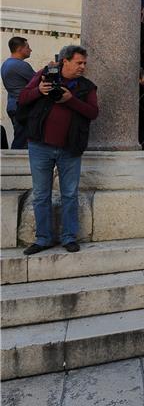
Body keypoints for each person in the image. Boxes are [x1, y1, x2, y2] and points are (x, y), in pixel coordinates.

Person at [17, 45, 98, 255]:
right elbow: (23, 98)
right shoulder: (44, 75)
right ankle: (43, 238)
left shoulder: (88, 87)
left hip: (70, 148)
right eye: (79, 63)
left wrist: (71, 100)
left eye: (84, 63)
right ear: (65, 61)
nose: (83, 67)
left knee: (69, 194)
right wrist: (39, 91)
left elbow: (92, 112)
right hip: (39, 146)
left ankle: (69, 237)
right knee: (41, 194)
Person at [1, 36, 35, 148]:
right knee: (21, 140)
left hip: (12, 106)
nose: (30, 50)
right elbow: (37, 80)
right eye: (28, 47)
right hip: (22, 107)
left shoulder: (5, 64)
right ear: (20, 49)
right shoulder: (20, 65)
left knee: (20, 136)